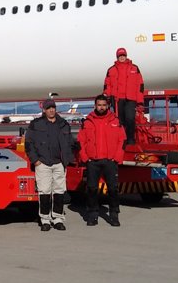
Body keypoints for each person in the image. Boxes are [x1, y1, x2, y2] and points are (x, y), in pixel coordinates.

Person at [25, 99, 75, 231]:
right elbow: (28, 144)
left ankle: (58, 218)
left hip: (59, 163)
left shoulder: (63, 124)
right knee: (44, 191)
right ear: (44, 110)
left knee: (59, 191)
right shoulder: (36, 124)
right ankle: (45, 219)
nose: (51, 110)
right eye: (48, 108)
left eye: (53, 107)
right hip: (43, 163)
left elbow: (70, 142)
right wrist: (35, 160)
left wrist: (67, 159)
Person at [77, 94, 126, 226]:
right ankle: (93, 215)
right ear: (95, 106)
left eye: (104, 105)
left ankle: (114, 215)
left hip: (110, 161)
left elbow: (122, 141)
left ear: (108, 106)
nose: (102, 107)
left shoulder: (116, 121)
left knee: (113, 189)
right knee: (92, 189)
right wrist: (86, 158)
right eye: (99, 105)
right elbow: (80, 141)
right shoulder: (87, 122)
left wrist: (116, 158)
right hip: (93, 161)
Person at [103, 46, 145, 145]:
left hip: (131, 98)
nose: (122, 57)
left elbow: (140, 86)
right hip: (117, 99)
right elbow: (107, 85)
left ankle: (130, 139)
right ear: (117, 57)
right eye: (120, 56)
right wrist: (107, 97)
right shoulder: (111, 70)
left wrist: (140, 102)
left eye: (123, 55)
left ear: (126, 56)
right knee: (119, 121)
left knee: (130, 118)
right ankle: (122, 140)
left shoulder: (134, 68)